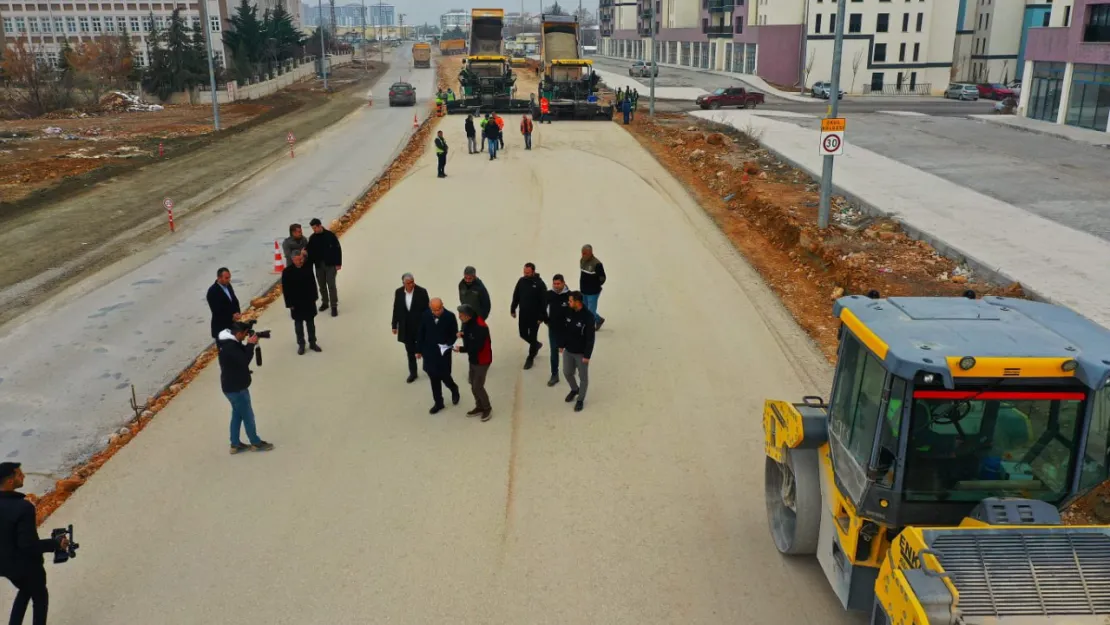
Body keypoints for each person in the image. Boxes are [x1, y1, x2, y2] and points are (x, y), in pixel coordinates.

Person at [0, 462, 67, 625]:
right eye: (19, 474)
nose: (23, 476)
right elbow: (28, 545)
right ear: (10, 481)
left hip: (4, 566)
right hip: (26, 566)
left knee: (25, 590)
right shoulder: (23, 508)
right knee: (40, 597)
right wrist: (56, 544)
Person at [216, 321, 274, 453]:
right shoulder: (231, 347)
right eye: (244, 334)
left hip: (230, 386)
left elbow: (239, 354)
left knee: (237, 415)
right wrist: (250, 344)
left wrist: (249, 342)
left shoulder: (226, 342)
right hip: (237, 389)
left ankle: (235, 444)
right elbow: (244, 360)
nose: (245, 336)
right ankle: (255, 442)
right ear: (238, 333)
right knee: (248, 416)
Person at [415, 298, 461, 414]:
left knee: (445, 377)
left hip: (443, 353)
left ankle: (454, 389)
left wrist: (447, 344)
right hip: (429, 353)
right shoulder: (425, 315)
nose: (437, 312)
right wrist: (419, 350)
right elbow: (421, 332)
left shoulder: (450, 316)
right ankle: (439, 403)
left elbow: (453, 334)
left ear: (442, 306)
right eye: (434, 310)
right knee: (434, 379)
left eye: (439, 309)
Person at [455, 304, 493, 421]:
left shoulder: (481, 327)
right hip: (473, 359)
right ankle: (479, 406)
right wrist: (463, 334)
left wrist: (460, 349)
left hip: (482, 360)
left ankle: (487, 408)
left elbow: (476, 347)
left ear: (468, 316)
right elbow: (469, 335)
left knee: (478, 386)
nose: (459, 317)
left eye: (461, 315)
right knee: (472, 383)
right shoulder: (468, 323)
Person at [392, 273, 430, 383]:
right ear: (403, 283)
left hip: (419, 326)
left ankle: (428, 368)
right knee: (410, 351)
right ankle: (413, 373)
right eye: (408, 283)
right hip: (406, 327)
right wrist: (394, 325)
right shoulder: (399, 292)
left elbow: (427, 310)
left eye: (412, 282)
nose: (411, 284)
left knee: (424, 348)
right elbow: (396, 308)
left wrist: (428, 324)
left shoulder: (422, 292)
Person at [281, 252, 322, 355]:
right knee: (298, 325)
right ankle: (301, 345)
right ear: (293, 259)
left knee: (311, 324)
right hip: (296, 303)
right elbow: (286, 290)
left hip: (308, 301)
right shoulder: (287, 272)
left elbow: (313, 283)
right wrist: (289, 304)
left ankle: (313, 342)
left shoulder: (307, 268)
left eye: (301, 259)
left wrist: (315, 297)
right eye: (298, 259)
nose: (300, 261)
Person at [561, 291, 595, 412]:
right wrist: (562, 345)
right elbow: (565, 329)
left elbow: (590, 338)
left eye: (570, 301)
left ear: (578, 302)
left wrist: (587, 355)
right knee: (567, 372)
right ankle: (574, 389)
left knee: (583, 378)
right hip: (568, 350)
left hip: (581, 354)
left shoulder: (588, 317)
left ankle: (580, 400)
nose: (568, 303)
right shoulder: (569, 312)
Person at [510, 262, 547, 370]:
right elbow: (516, 295)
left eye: (528, 272)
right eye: (524, 272)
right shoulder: (521, 281)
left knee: (533, 335)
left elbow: (544, 301)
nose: (525, 274)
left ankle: (530, 357)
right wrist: (513, 308)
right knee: (522, 333)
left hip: (535, 316)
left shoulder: (540, 284)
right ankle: (536, 345)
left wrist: (542, 316)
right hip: (523, 314)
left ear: (533, 272)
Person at [306, 218, 342, 317]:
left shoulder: (330, 236)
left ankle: (333, 306)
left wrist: (338, 263)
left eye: (315, 228)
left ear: (320, 225)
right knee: (322, 286)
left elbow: (337, 249)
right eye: (313, 229)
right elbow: (309, 251)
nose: (314, 230)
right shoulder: (312, 238)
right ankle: (325, 302)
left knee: (331, 285)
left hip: (330, 265)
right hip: (318, 265)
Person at [544, 273, 572, 387]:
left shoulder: (570, 295)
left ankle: (571, 371)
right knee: (553, 352)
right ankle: (554, 374)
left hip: (568, 329)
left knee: (570, 351)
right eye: (554, 283)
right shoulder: (549, 294)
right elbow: (542, 307)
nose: (556, 286)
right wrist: (546, 320)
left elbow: (577, 309)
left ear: (563, 283)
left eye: (558, 283)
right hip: (554, 329)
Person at [206, 266, 241, 340]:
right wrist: (231, 317)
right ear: (219, 278)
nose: (229, 280)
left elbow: (234, 300)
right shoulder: (212, 292)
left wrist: (237, 312)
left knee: (237, 349)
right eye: (226, 278)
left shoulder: (228, 286)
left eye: (229, 277)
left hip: (233, 326)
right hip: (221, 328)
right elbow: (216, 311)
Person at [580, 244, 607, 330]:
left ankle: (589, 328)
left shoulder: (597, 264)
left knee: (590, 312)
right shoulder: (582, 261)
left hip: (593, 292)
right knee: (584, 310)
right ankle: (599, 320)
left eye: (585, 253)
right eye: (582, 253)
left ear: (590, 253)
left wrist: (596, 285)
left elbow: (603, 277)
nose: (583, 255)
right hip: (583, 290)